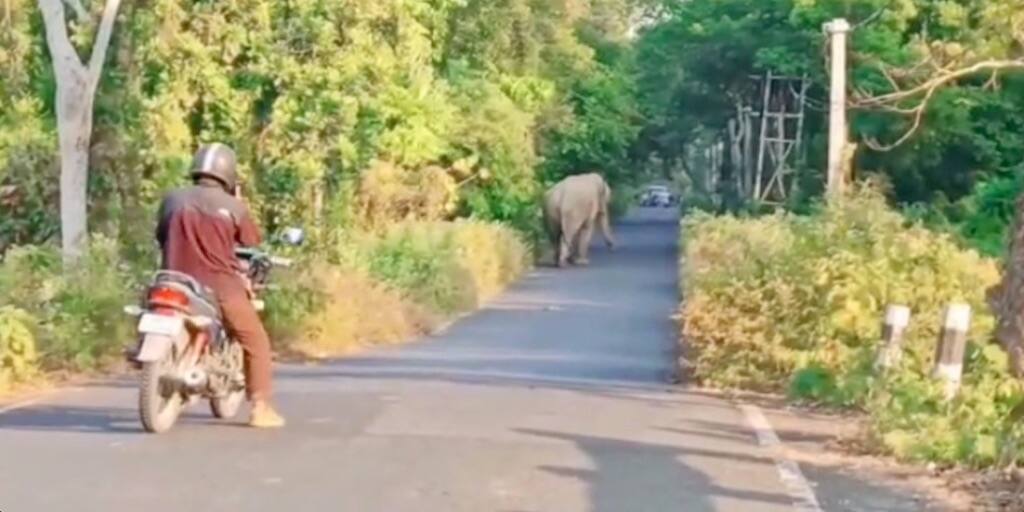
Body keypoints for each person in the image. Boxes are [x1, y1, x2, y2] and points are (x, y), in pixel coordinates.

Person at [155, 143, 285, 429]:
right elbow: (251, 241)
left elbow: (160, 235)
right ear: (228, 173)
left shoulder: (173, 198)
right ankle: (260, 408)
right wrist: (236, 202)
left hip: (172, 280)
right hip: (219, 286)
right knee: (256, 341)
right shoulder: (233, 207)